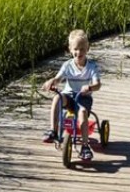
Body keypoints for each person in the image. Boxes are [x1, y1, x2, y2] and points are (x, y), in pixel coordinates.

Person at [40, 29, 102, 161]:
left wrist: (90, 87)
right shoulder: (67, 65)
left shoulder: (91, 67)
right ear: (70, 49)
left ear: (87, 49)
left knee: (83, 112)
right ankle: (53, 130)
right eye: (76, 49)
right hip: (69, 96)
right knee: (57, 97)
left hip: (83, 97)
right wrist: (52, 82)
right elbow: (58, 78)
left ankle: (85, 146)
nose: (79, 52)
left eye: (82, 49)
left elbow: (98, 84)